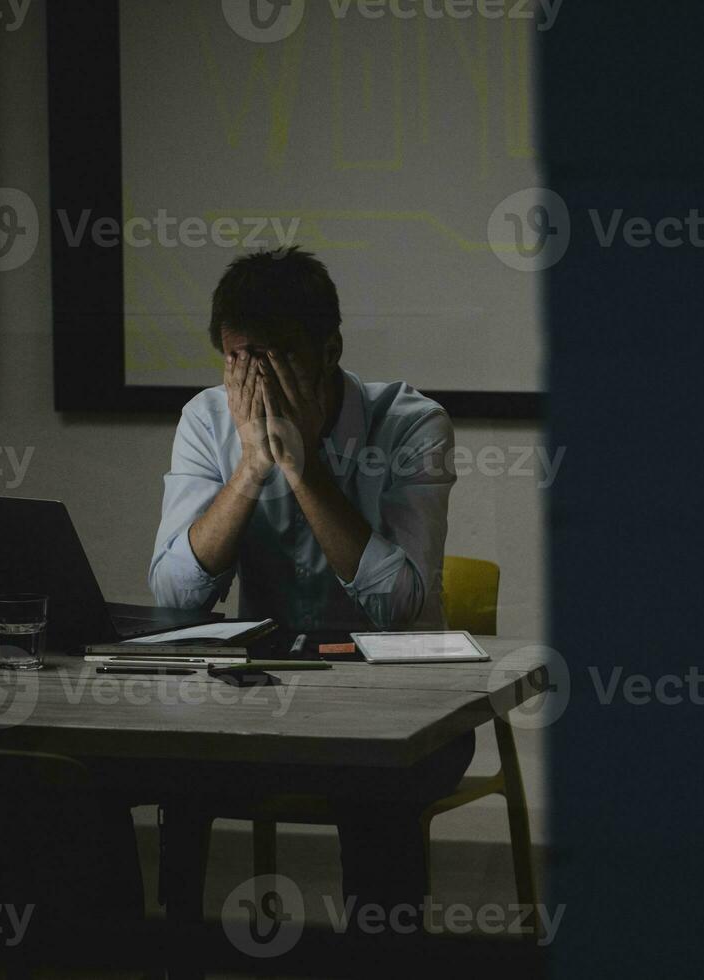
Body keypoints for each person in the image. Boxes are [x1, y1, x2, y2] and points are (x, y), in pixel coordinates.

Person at [147, 246, 473, 919]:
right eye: (241, 360)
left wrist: (304, 469)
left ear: (331, 350)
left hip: (403, 710)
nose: (259, 382)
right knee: (164, 766)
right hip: (265, 704)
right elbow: (175, 599)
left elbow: (399, 607)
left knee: (377, 782)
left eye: (281, 357)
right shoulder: (208, 421)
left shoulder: (412, 423)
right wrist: (249, 472)